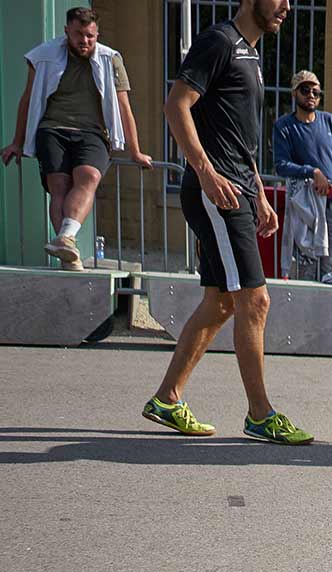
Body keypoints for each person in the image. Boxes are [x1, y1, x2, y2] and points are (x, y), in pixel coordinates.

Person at [141, 0, 312, 446]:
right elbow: (176, 105)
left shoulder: (251, 54)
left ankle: (167, 398)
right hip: (217, 191)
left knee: (221, 302)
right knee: (255, 302)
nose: (287, 6)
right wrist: (206, 172)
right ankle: (260, 414)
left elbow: (236, 135)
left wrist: (258, 193)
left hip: (237, 188)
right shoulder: (218, 41)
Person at [2, 6, 151, 271]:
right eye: (79, 34)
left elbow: (123, 107)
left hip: (92, 132)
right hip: (52, 129)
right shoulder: (45, 56)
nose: (85, 41)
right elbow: (28, 99)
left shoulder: (110, 59)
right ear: (66, 32)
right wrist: (17, 141)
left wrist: (135, 151)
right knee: (58, 186)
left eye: (91, 36)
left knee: (89, 177)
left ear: (97, 34)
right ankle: (68, 253)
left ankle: (65, 237)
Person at [272, 70, 332, 280]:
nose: (311, 95)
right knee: (306, 268)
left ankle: (323, 312)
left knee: (328, 267)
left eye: (316, 92)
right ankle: (303, 313)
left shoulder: (330, 122)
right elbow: (281, 165)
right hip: (306, 208)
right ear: (294, 94)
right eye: (305, 90)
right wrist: (312, 172)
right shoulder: (284, 126)